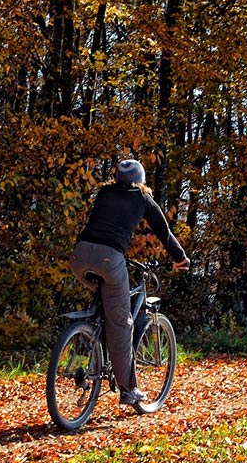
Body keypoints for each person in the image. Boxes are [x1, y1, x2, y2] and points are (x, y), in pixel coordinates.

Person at [69, 159, 189, 405]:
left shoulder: (104, 191)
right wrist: (180, 258)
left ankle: (88, 338)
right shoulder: (141, 198)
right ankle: (128, 390)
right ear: (141, 180)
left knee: (106, 304)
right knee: (122, 323)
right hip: (110, 260)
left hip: (79, 256)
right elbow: (163, 231)